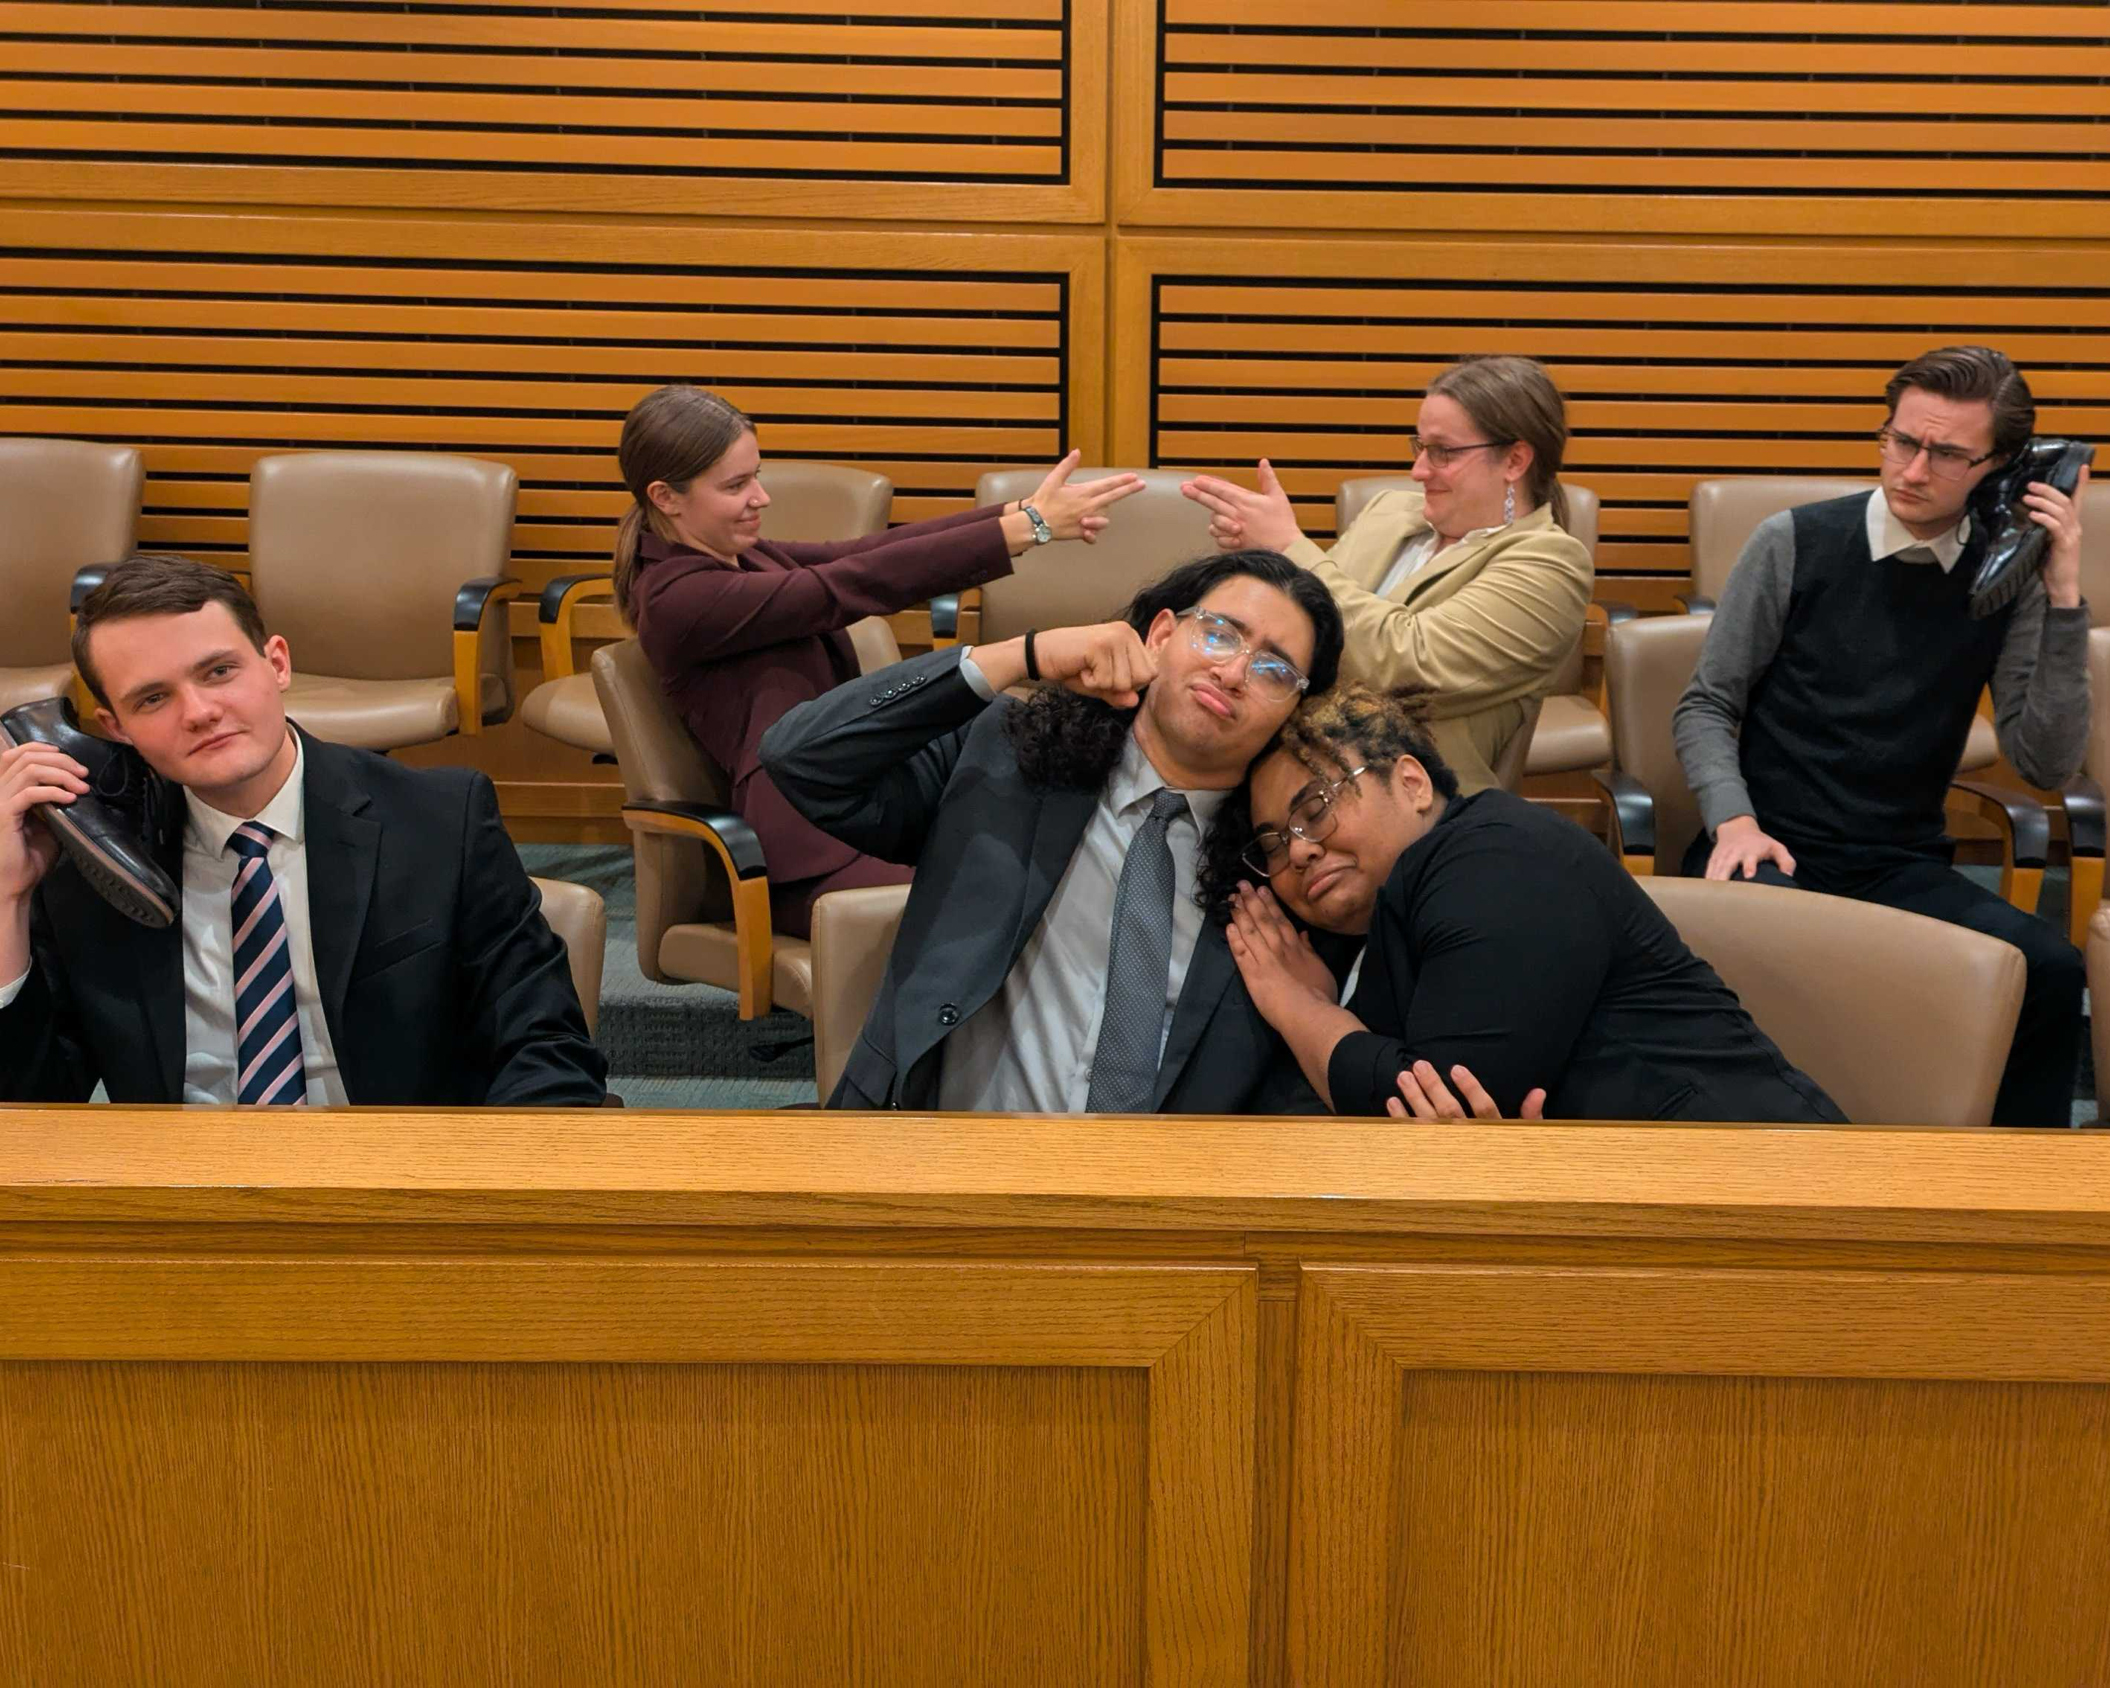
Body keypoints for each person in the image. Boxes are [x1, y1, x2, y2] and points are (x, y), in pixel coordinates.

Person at [0, 554, 607, 1106]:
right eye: (154, 698)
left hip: (397, 1185)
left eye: (217, 672)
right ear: (116, 726)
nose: (200, 712)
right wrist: (7, 898)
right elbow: (31, 1104)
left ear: (277, 663)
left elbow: (546, 1048)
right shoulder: (92, 860)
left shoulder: (440, 819)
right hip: (182, 1194)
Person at [759, 550, 1346, 1113]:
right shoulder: (1005, 760)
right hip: (939, 1159)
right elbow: (802, 759)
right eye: (1219, 633)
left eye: (1274, 669)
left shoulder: (1282, 868)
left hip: (1161, 1195)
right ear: (1162, 635)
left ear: (1296, 708)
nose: (1234, 671)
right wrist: (1019, 656)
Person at [1673, 345, 2090, 1129]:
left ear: (1999, 466)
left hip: (1899, 862)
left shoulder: (2005, 577)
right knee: (1786, 971)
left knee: (2050, 968)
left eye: (1947, 453)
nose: (1913, 468)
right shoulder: (1794, 542)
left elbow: (2045, 761)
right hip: (1768, 845)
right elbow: (1705, 705)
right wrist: (1734, 820)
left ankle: (2013, 1195)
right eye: (1902, 440)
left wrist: (2063, 591)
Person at [614, 383, 1141, 937]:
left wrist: (1023, 514)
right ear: (666, 497)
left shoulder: (739, 557)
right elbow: (847, 585)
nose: (760, 497)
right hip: (809, 850)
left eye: (756, 476)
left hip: (862, 806)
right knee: (998, 910)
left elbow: (865, 553)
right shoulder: (678, 599)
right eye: (736, 485)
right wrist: (1025, 529)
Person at [1221, 683, 1844, 1125]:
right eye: (1273, 843)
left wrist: (1299, 1006)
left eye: (1314, 808)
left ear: (1411, 782)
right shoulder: (1364, 926)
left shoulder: (1497, 853)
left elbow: (1443, 1101)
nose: (1297, 852)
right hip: (1616, 1225)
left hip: (1770, 1192)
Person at [1178, 355, 1593, 792]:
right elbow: (1297, 630)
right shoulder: (1389, 512)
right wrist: (1264, 562)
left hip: (1409, 803)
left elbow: (1404, 662)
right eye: (1420, 448)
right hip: (1285, 765)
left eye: (1443, 452)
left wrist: (1288, 548)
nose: (1419, 471)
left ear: (1514, 461)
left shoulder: (1553, 565)